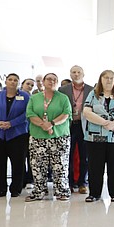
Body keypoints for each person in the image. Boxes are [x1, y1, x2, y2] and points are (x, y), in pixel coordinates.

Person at [82, 70, 114, 202]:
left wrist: (112, 124)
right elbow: (86, 112)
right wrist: (104, 123)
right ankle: (94, 194)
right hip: (95, 136)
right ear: (101, 79)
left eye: (112, 78)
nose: (109, 80)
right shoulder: (93, 94)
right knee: (95, 166)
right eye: (106, 78)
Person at [25, 73, 72, 202]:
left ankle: (62, 191)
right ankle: (39, 191)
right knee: (38, 165)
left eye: (54, 79)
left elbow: (66, 114)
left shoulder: (63, 98)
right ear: (43, 82)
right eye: (49, 79)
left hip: (59, 136)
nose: (51, 81)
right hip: (37, 137)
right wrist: (43, 125)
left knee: (60, 165)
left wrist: (51, 124)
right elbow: (30, 113)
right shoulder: (34, 98)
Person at [0, 74, 30, 198]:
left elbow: (28, 112)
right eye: (10, 79)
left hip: (18, 133)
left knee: (18, 162)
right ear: (5, 81)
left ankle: (16, 188)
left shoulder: (25, 96)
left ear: (19, 83)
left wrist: (12, 123)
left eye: (15, 80)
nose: (12, 82)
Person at [59, 66, 93, 195]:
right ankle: (69, 183)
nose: (76, 74)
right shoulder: (63, 90)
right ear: (70, 74)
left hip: (84, 126)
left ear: (83, 74)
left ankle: (83, 183)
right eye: (74, 72)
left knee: (85, 156)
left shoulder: (91, 89)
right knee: (68, 155)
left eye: (79, 72)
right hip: (68, 125)